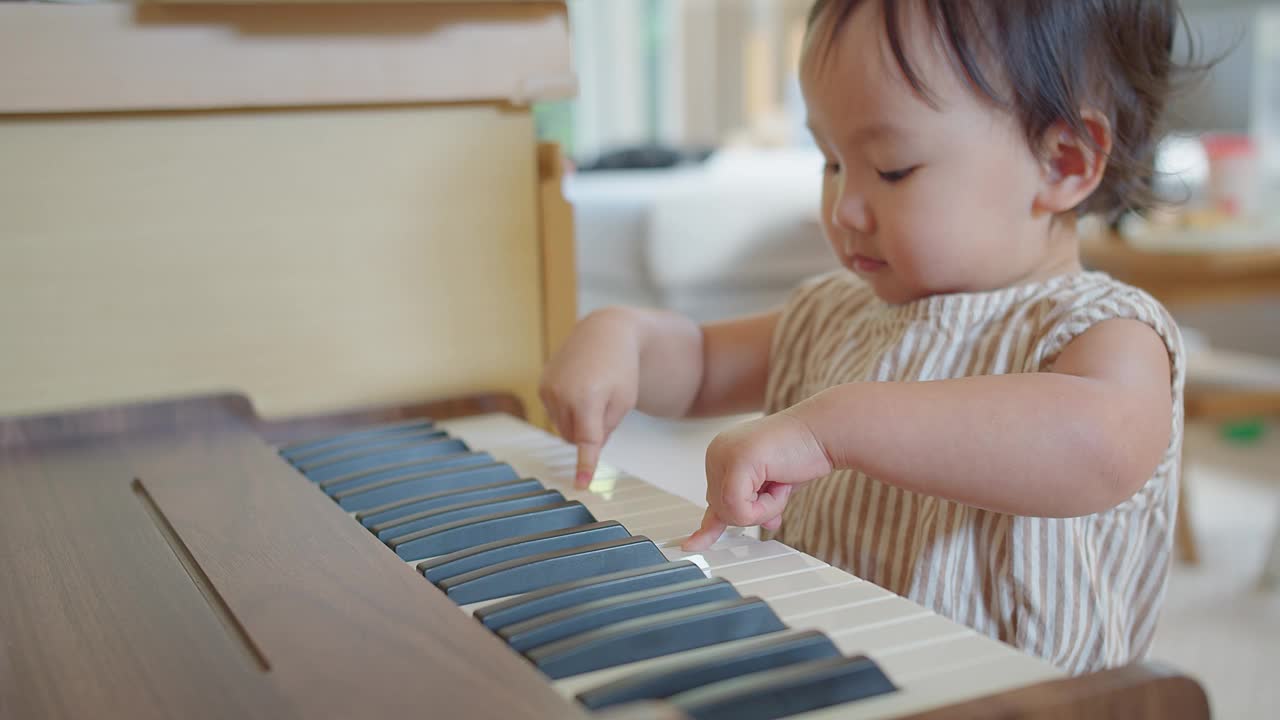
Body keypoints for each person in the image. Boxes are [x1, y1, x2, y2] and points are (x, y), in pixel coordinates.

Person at [540, 0, 1193, 674]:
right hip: (825, 674)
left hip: (1015, 703)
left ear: (1062, 162)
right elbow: (701, 364)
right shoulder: (834, 313)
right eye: (830, 162)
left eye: (891, 169)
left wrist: (834, 426)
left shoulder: (1101, 329)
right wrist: (624, 339)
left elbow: (1099, 448)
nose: (844, 208)